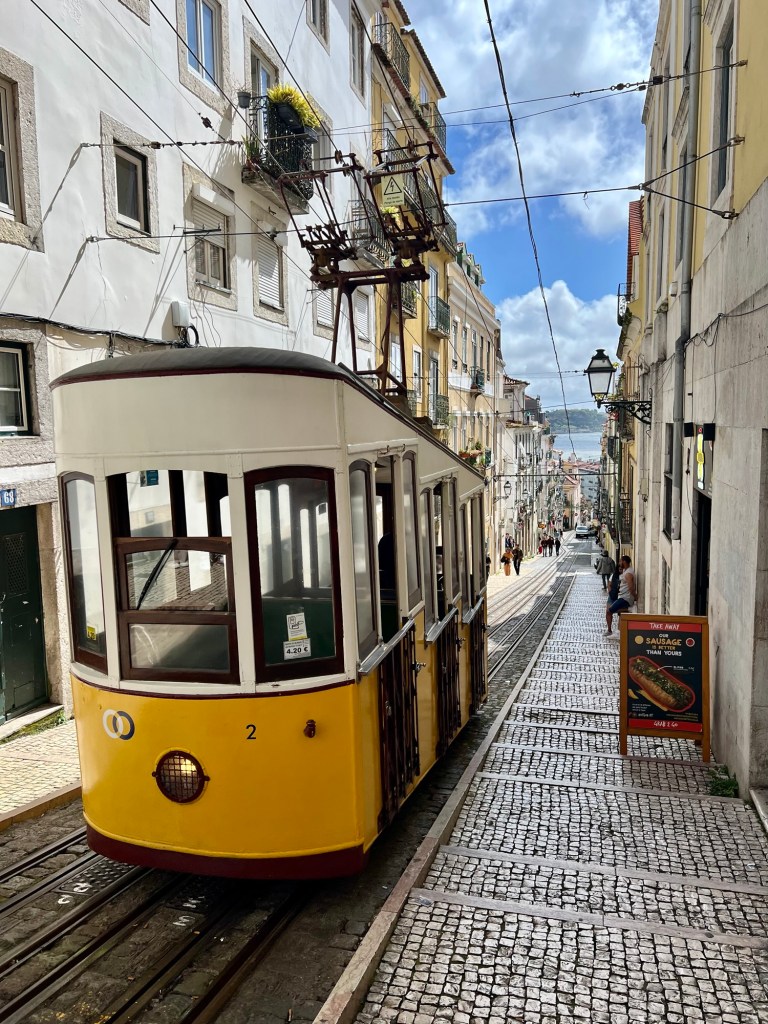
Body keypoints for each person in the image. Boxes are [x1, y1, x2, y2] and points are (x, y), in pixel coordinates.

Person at [605, 555, 636, 635]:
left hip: (625, 598)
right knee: (613, 612)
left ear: (624, 562)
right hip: (621, 597)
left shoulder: (628, 573)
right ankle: (617, 631)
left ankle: (629, 609)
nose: (619, 563)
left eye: (620, 561)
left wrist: (636, 597)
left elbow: (631, 587)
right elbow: (609, 583)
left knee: (609, 611)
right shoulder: (626, 571)